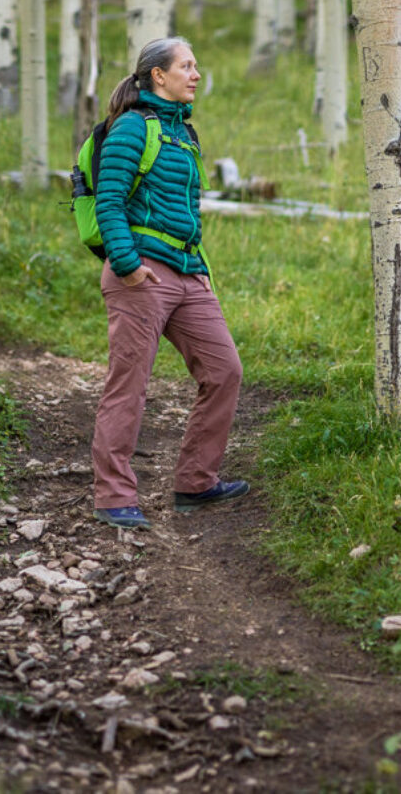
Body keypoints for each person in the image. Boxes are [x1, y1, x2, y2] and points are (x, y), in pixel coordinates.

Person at [90, 36, 248, 528]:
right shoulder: (134, 128)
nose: (196, 74)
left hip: (188, 272)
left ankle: (196, 484)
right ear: (158, 75)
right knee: (129, 386)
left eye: (196, 65)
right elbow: (109, 203)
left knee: (225, 371)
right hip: (141, 274)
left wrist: (196, 266)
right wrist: (128, 264)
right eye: (187, 65)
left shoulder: (185, 133)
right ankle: (113, 497)